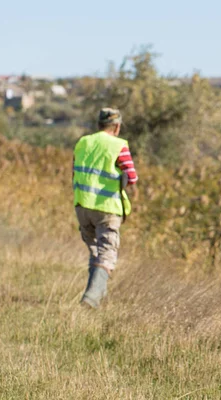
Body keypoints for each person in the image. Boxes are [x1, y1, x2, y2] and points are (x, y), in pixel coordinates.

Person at [72, 108, 138, 308]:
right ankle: (91, 298)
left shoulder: (83, 142)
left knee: (95, 251)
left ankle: (98, 295)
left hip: (82, 205)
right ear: (117, 127)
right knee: (107, 251)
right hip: (106, 207)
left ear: (98, 124)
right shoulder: (118, 146)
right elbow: (132, 177)